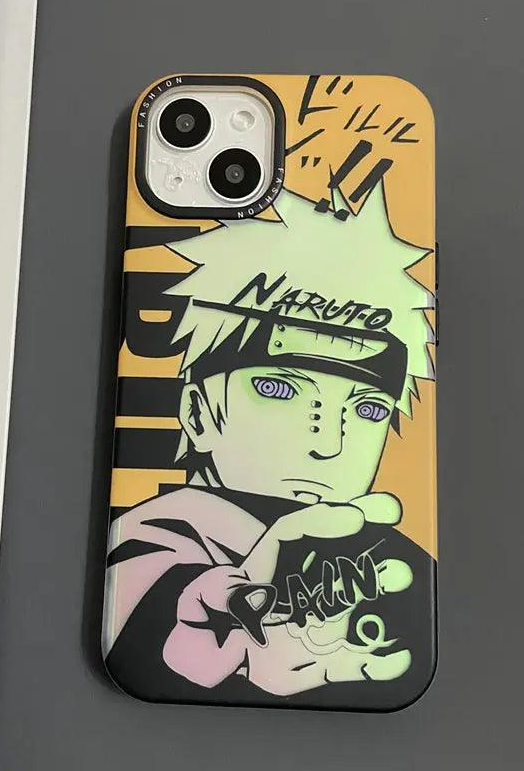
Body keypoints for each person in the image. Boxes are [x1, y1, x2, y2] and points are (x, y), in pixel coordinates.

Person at [103, 184, 436, 705]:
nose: (329, 443)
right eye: (279, 389)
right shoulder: (158, 537)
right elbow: (159, 621)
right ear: (198, 412)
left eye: (369, 409)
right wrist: (200, 636)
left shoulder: (402, 566)